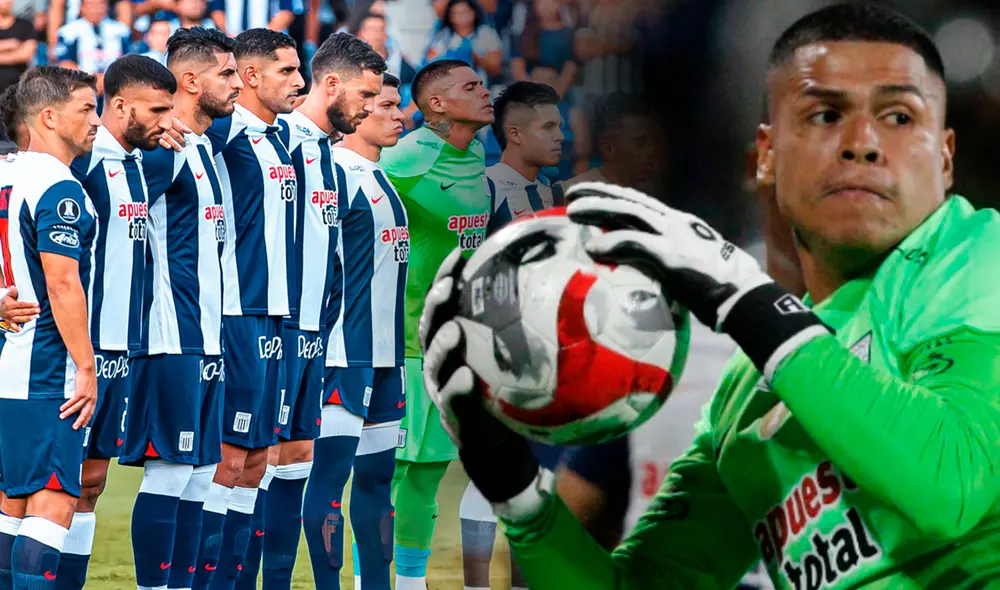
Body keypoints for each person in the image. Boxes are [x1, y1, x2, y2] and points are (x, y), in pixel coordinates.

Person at [420, 3, 1000, 588]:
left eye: (900, 117)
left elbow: (950, 484)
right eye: (826, 114)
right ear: (767, 155)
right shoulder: (743, 400)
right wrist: (517, 495)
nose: (864, 143)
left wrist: (744, 298)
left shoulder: (981, 257)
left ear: (945, 156)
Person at [23, 54, 174, 590]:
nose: (166, 120)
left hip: (121, 350)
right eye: (157, 109)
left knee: (91, 482)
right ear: (120, 105)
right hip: (74, 351)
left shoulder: (138, 161)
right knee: (50, 486)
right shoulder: (79, 163)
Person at [117, 26, 240, 590]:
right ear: (191, 80)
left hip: (211, 335)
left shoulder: (206, 147)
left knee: (199, 476)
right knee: (170, 474)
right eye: (226, 74)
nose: (237, 85)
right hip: (173, 335)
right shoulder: (159, 151)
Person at [270, 31, 385, 590]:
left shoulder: (329, 158)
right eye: (366, 96)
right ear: (331, 83)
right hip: (278, 335)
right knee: (250, 472)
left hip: (323, 336)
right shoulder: (279, 141)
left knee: (293, 468)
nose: (370, 109)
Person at [188, 28, 303, 590]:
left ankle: (235, 581)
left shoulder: (280, 139)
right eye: (286, 71)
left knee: (259, 460)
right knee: (229, 461)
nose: (298, 82)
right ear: (251, 76)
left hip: (277, 314)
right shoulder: (226, 132)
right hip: (237, 310)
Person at [379, 58, 494, 590]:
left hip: (451, 345)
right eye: (471, 86)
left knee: (429, 471)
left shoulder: (475, 154)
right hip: (400, 341)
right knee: (390, 471)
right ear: (438, 105)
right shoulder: (404, 159)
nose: (486, 91)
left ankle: (409, 582)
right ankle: (367, 579)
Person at [0, 65, 100, 590]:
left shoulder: (4, 174)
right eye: (85, 108)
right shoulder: (58, 185)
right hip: (46, 370)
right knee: (54, 499)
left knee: (11, 502)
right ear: (47, 116)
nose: (95, 120)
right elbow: (62, 285)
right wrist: (86, 367)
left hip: (6, 366)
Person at [461, 79, 563, 590]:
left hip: (549, 350)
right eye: (548, 126)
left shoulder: (553, 190)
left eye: (560, 125)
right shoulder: (485, 187)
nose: (560, 136)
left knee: (539, 474)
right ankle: (478, 585)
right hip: (496, 347)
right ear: (515, 133)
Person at [315, 71, 407, 590]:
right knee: (329, 485)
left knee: (377, 485)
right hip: (342, 356)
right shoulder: (336, 175)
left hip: (386, 355)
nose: (399, 115)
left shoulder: (380, 173)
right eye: (385, 105)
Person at [553, 91, 664, 197]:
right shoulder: (567, 197)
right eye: (640, 142)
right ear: (608, 148)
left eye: (655, 141)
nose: (652, 151)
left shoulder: (656, 195)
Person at [54, 0, 131, 97]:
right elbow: (64, 63)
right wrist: (89, 80)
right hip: (80, 86)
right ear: (82, 7)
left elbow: (127, 61)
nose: (96, 9)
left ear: (107, 6)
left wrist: (107, 80)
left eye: (100, 4)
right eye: (91, 5)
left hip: (114, 86)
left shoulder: (122, 30)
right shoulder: (67, 31)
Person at [0, 0, 35, 95]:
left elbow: (26, 55)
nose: (7, 1)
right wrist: (8, 44)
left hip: (17, 90)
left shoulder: (25, 25)